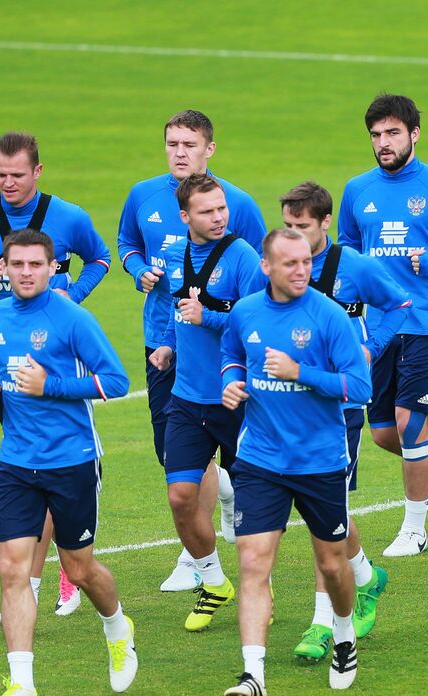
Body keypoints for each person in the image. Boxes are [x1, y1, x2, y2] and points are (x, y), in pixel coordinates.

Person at [0, 131, 112, 619]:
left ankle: (56, 575)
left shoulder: (69, 216)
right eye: (0, 174)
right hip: (3, 361)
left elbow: (100, 258)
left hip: (59, 356)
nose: (8, 182)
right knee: (30, 462)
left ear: (38, 172)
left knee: (59, 457)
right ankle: (33, 579)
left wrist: (72, 297)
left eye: (17, 174)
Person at [0, 229, 135, 696]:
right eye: (16, 264)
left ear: (51, 268)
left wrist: (52, 386)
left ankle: (116, 626)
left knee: (79, 569)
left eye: (35, 265)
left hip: (72, 461)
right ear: (5, 267)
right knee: (11, 569)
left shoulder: (71, 318)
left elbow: (117, 381)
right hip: (17, 463)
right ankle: (23, 685)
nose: (25, 272)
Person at [218, 228, 373, 696]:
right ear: (267, 267)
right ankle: (253, 674)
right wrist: (232, 383)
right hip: (261, 459)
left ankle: (343, 631)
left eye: (306, 261)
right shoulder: (246, 313)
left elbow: (360, 387)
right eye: (290, 264)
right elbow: (230, 354)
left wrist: (300, 373)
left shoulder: (328, 316)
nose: (302, 270)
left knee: (331, 563)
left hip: (320, 461)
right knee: (252, 564)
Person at [117, 109, 266, 592]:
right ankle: (216, 502)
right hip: (165, 341)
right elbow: (126, 243)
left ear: (209, 149)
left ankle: (193, 557)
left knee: (228, 461)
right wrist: (137, 269)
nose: (180, 153)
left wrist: (217, 317)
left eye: (190, 144)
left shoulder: (237, 204)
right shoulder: (143, 195)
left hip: (225, 356)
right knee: (172, 455)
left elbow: (258, 279)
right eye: (173, 144)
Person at [338, 94, 428, 557]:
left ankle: (414, 529)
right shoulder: (356, 190)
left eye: (392, 133)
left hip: (427, 322)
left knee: (407, 424)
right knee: (383, 432)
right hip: (378, 328)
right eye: (376, 136)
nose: (383, 143)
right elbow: (345, 250)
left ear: (414, 134)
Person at [281, 180, 408, 661]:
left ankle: (321, 624)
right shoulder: (277, 269)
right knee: (325, 512)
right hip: (288, 407)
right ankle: (367, 576)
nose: (294, 237)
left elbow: (398, 304)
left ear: (326, 223)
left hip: (341, 408)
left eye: (303, 227)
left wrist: (371, 347)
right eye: (288, 227)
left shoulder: (353, 267)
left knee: (324, 515)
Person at [159, 174, 267, 632]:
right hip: (187, 399)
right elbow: (176, 309)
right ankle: (213, 581)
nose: (219, 217)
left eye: (221, 208)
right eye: (207, 211)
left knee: (258, 506)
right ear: (186, 217)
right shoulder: (172, 254)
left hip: (239, 398)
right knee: (181, 496)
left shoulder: (241, 256)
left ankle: (261, 592)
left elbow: (258, 323)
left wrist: (211, 317)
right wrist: (166, 343)